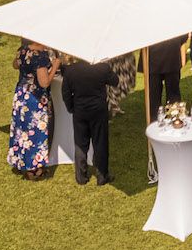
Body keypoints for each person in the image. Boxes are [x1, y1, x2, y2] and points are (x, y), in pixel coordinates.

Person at [7, 40, 60, 179]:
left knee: (21, 130)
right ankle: (34, 168)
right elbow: (44, 82)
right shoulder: (40, 57)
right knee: (35, 133)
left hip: (21, 95)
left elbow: (15, 65)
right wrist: (55, 66)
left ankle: (21, 161)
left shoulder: (23, 50)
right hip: (34, 99)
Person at [62, 55, 114, 185]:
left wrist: (71, 108)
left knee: (80, 144)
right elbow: (115, 81)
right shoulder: (102, 68)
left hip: (80, 111)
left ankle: (81, 177)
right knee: (100, 142)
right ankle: (102, 176)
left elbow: (66, 93)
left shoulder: (70, 70)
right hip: (98, 111)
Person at [145, 34, 185, 123]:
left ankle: (172, 119)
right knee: (157, 94)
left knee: (167, 94)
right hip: (163, 55)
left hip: (164, 55)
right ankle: (158, 121)